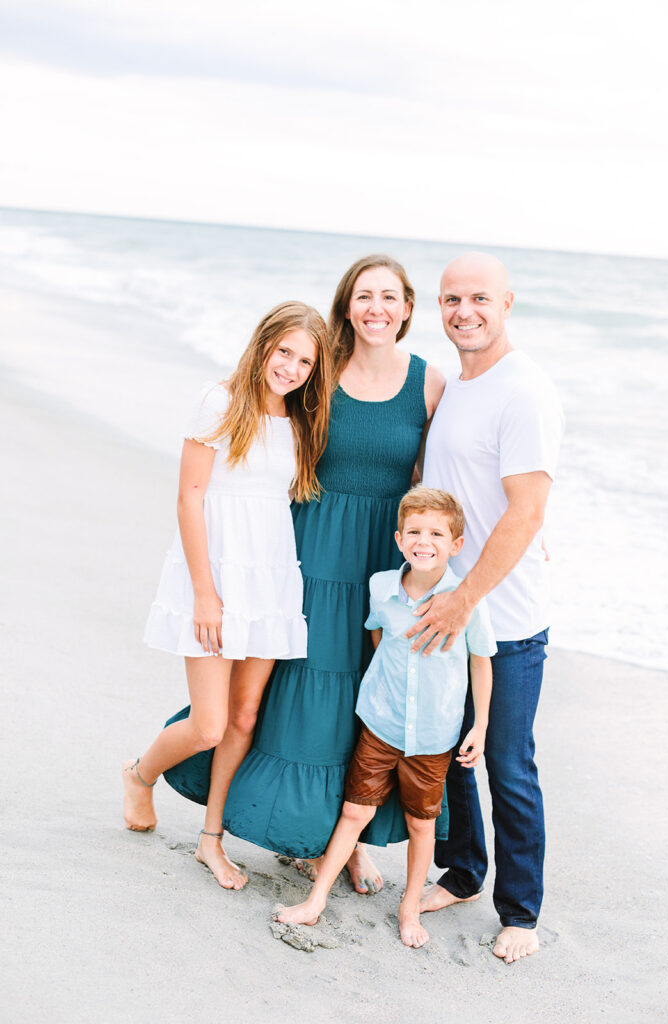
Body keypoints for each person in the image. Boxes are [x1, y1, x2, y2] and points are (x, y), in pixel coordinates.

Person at [162, 255, 445, 894]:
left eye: (389, 297)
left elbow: (438, 476)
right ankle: (297, 831)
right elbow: (260, 439)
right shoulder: (321, 372)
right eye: (363, 295)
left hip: (380, 556)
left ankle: (350, 842)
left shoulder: (431, 383)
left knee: (363, 693)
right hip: (308, 546)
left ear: (406, 309)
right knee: (291, 691)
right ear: (347, 305)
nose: (376, 307)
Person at [121, 301, 332, 890]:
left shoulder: (299, 420)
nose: (290, 367)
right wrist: (205, 594)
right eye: (283, 352)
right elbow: (190, 498)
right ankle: (140, 775)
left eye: (304, 361)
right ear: (263, 344)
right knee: (210, 725)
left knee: (244, 715)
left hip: (268, 577)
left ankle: (209, 839)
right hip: (212, 574)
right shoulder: (220, 401)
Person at [410, 252, 564, 964]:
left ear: (507, 303)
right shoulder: (458, 386)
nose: (462, 311)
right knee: (447, 753)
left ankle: (521, 911)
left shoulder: (522, 390)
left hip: (503, 620)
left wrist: (464, 598)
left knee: (504, 762)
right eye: (449, 299)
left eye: (477, 298)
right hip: (447, 608)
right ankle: (464, 872)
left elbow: (526, 510)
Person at [275, 486, 496, 948]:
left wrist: (479, 725)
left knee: (422, 824)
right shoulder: (381, 587)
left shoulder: (466, 600)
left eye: (437, 533)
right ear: (399, 539)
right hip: (381, 723)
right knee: (355, 810)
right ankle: (315, 901)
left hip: (435, 735)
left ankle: (409, 908)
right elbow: (378, 636)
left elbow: (481, 660)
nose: (424, 540)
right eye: (415, 531)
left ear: (456, 544)